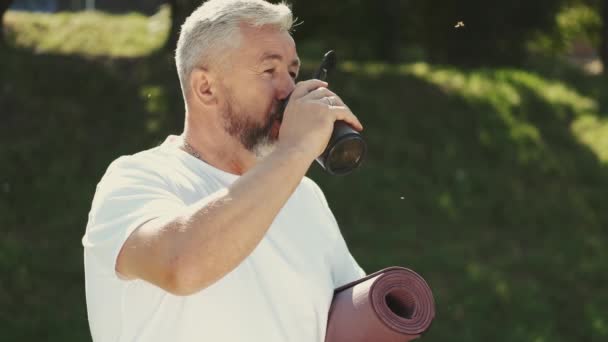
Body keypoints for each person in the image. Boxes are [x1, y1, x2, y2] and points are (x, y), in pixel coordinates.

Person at [81, 0, 366, 341]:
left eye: (292, 72)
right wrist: (296, 150)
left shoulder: (305, 195)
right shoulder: (136, 178)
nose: (289, 91)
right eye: (269, 71)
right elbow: (180, 267)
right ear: (206, 87)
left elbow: (352, 319)